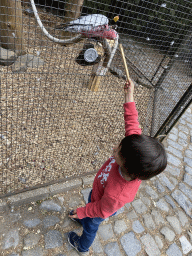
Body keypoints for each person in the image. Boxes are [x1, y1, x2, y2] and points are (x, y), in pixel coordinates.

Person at [67, 78, 167, 255]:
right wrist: (129, 94)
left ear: (127, 165)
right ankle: (84, 217)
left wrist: (84, 211)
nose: (114, 148)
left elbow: (101, 209)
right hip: (98, 195)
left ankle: (82, 246)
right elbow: (132, 122)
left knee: (91, 226)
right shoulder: (134, 151)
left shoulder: (117, 194)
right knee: (90, 210)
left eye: (118, 151)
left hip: (101, 207)